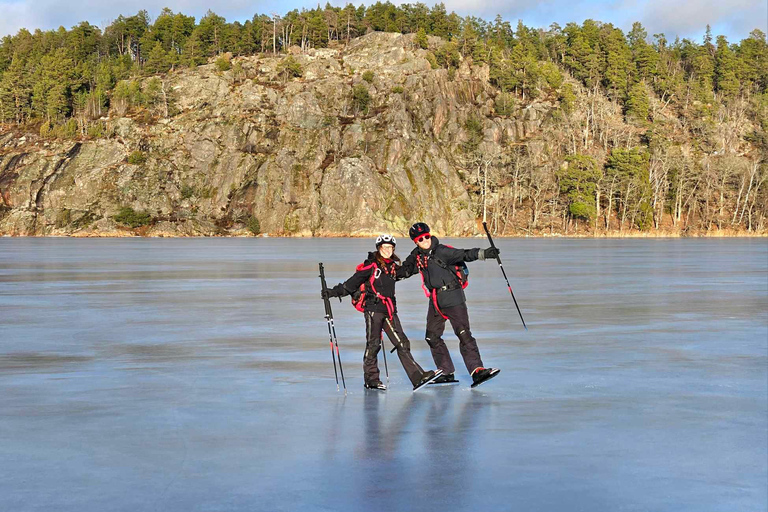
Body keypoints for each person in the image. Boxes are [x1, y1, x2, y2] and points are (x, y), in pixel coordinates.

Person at [322, 234, 442, 391]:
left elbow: (406, 270)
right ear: (379, 249)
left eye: (390, 247)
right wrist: (331, 292)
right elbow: (350, 285)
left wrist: (417, 253)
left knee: (402, 343)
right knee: (374, 345)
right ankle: (371, 380)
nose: (387, 250)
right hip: (373, 310)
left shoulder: (392, 267)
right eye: (384, 247)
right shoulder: (370, 266)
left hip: (389, 311)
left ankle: (418, 377)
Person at [401, 222, 501, 387]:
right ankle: (446, 371)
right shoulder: (417, 256)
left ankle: (477, 370)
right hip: (435, 301)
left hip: (453, 297)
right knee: (431, 336)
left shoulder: (442, 251)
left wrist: (484, 253)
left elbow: (464, 254)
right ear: (415, 242)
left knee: (463, 333)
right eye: (420, 239)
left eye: (426, 236)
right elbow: (404, 271)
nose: (425, 240)